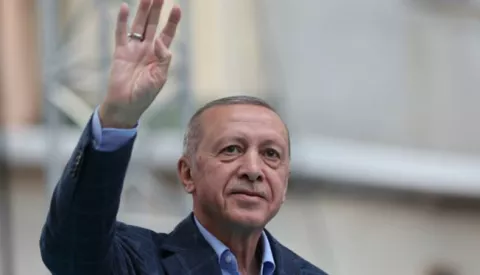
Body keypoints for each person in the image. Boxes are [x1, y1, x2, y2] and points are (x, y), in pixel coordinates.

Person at [39, 0, 328, 274]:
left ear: (285, 182)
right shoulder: (138, 263)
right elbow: (73, 250)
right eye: (231, 149)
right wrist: (118, 116)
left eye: (271, 154)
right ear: (187, 173)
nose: (253, 170)